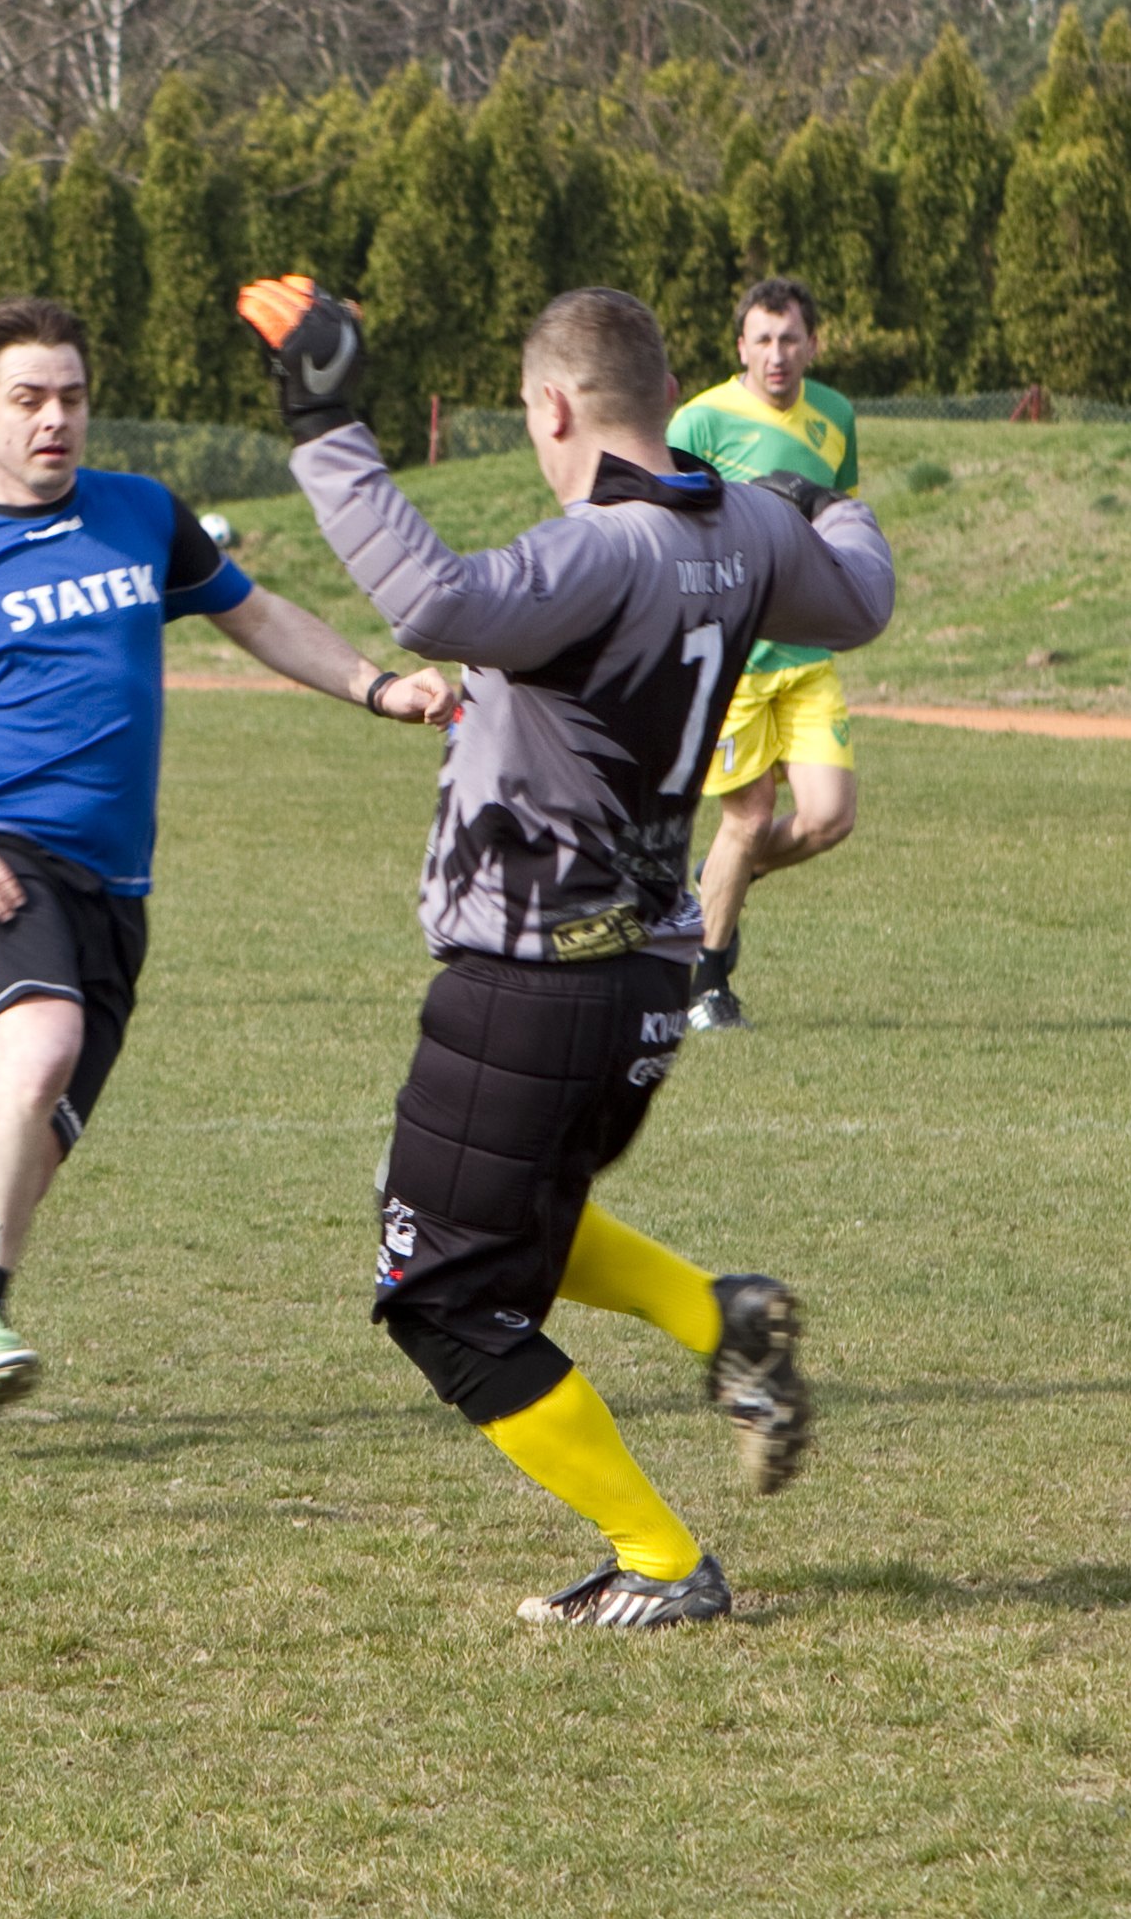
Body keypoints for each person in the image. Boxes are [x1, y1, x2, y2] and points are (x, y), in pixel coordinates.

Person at [241, 275, 893, 1627]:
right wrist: (839, 500)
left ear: (552, 406)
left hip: (538, 971)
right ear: (666, 397)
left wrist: (321, 420)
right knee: (514, 1214)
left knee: (438, 1296)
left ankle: (657, 1558)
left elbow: (431, 596)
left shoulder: (602, 548)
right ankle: (724, 1322)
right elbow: (858, 603)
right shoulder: (749, 524)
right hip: (647, 971)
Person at [0, 296, 456, 1439]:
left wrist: (378, 685)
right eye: (27, 399)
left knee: (20, 1156)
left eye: (69, 396)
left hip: (114, 891)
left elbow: (254, 615)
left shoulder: (139, 515)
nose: (54, 419)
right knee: (38, 1047)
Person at [670, 278, 864, 1030]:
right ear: (740, 346)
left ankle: (719, 879)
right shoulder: (702, 421)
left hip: (808, 651)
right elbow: (664, 520)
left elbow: (841, 517)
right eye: (762, 340)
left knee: (829, 817)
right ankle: (707, 989)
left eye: (790, 339)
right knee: (748, 818)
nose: (777, 355)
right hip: (734, 660)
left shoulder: (838, 416)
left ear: (812, 343)